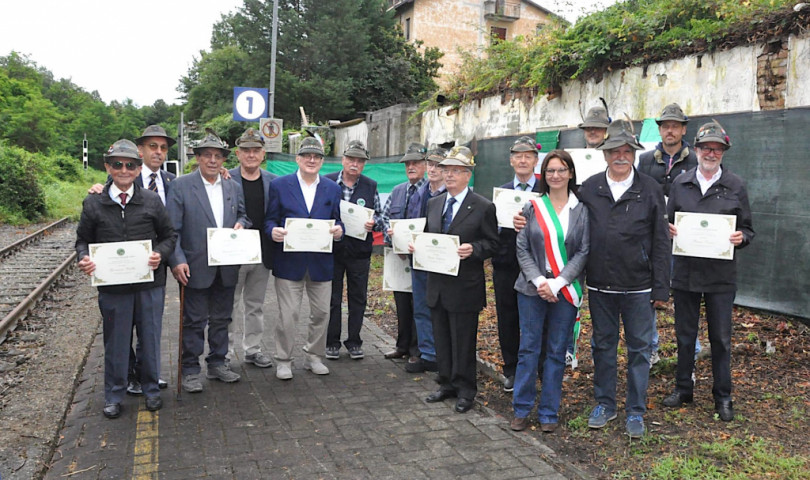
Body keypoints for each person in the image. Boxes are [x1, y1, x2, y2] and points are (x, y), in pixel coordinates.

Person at [578, 119, 671, 438]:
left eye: (626, 151)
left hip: (639, 287)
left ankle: (635, 410)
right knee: (603, 345)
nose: (620, 156)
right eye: (614, 151)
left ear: (634, 153)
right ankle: (605, 403)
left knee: (639, 349)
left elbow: (661, 240)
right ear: (604, 154)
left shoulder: (650, 188)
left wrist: (661, 287)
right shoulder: (589, 187)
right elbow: (573, 229)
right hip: (600, 284)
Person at [75, 139, 176, 417]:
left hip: (149, 285)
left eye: (130, 165)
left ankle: (151, 389)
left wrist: (159, 254)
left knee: (151, 339)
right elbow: (82, 240)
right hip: (113, 287)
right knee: (116, 342)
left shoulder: (152, 200)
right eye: (117, 164)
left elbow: (169, 237)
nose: (123, 169)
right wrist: (84, 258)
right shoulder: (94, 203)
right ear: (108, 167)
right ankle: (114, 395)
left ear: (137, 168)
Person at [662, 121, 754, 422]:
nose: (710, 153)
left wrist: (741, 238)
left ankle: (723, 396)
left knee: (721, 339)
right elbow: (668, 222)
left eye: (717, 149)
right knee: (685, 336)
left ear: (723, 152)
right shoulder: (680, 182)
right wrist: (669, 229)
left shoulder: (736, 185)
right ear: (697, 150)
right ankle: (683, 388)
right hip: (686, 272)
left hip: (720, 276)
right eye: (705, 148)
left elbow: (748, 229)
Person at [510, 149, 589, 433]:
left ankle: (548, 412)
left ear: (570, 173)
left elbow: (583, 251)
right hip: (532, 290)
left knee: (556, 352)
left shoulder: (582, 209)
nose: (556, 175)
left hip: (565, 292)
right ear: (545, 175)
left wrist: (557, 282)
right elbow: (521, 248)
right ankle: (521, 408)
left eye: (561, 170)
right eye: (551, 170)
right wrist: (538, 280)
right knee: (528, 349)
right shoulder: (532, 207)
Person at [168, 130, 249, 393]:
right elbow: (172, 230)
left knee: (222, 319)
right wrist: (177, 260)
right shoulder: (181, 186)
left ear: (224, 160)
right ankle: (190, 370)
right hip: (195, 266)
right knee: (193, 320)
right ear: (198, 158)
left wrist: (241, 224)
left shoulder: (232, 187)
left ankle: (217, 363)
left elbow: (244, 216)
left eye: (217, 156)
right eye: (207, 156)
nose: (213, 160)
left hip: (226, 266)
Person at [421, 146, 499, 413]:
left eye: (456, 171)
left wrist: (474, 250)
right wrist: (416, 247)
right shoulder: (434, 203)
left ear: (468, 175)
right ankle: (446, 383)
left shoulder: (483, 206)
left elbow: (492, 243)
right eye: (446, 170)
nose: (449, 175)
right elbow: (428, 236)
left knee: (463, 340)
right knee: (441, 337)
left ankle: (466, 389)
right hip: (438, 284)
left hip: (465, 286)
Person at [263, 137, 344, 380]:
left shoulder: (332, 188)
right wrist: (272, 232)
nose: (312, 160)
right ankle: (284, 360)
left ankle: (314, 357)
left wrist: (339, 231)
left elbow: (337, 220)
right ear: (297, 159)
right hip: (289, 263)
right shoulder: (279, 185)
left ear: (322, 161)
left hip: (321, 263)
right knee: (288, 316)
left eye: (317, 157)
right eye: (307, 156)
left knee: (321, 314)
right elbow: (269, 220)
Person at [638, 103, 700, 366]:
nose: (670, 131)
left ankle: (691, 349)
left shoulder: (696, 160)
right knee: (649, 291)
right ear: (660, 129)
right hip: (653, 239)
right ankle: (651, 346)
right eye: (665, 126)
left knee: (686, 295)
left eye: (675, 126)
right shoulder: (645, 160)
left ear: (684, 128)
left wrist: (683, 227)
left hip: (685, 241)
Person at [491, 136, 543, 393]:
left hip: (541, 265)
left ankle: (542, 368)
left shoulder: (547, 188)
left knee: (540, 318)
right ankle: (511, 368)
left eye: (528, 155)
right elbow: (493, 231)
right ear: (511, 160)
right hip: (506, 265)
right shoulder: (500, 193)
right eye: (518, 155)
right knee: (508, 317)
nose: (523, 160)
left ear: (535, 160)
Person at [324, 140, 384, 360]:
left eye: (359, 161)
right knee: (333, 298)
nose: (354, 164)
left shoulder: (370, 185)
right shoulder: (327, 181)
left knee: (358, 297)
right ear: (343, 160)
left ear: (364, 164)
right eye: (351, 159)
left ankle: (355, 341)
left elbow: (379, 215)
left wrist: (373, 223)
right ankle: (332, 342)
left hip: (359, 251)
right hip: (333, 250)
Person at [227, 128, 278, 369]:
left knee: (255, 305)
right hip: (234, 253)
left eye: (256, 150)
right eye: (246, 150)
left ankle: (253, 350)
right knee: (229, 304)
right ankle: (224, 353)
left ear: (263, 154)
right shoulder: (226, 178)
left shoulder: (272, 181)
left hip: (262, 253)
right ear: (238, 153)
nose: (251, 154)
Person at [380, 143, 430, 371]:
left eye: (416, 163)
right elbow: (383, 218)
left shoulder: (432, 191)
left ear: (425, 165)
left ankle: (416, 349)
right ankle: (402, 345)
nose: (411, 167)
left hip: (422, 258)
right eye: (408, 163)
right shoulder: (398, 190)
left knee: (419, 303)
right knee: (401, 301)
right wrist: (390, 236)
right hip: (398, 256)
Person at [408, 147, 447, 373]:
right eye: (430, 164)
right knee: (421, 307)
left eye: (439, 165)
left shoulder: (451, 194)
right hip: (418, 259)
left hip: (441, 260)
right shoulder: (419, 192)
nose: (433, 169)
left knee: (440, 308)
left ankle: (443, 354)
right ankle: (428, 354)